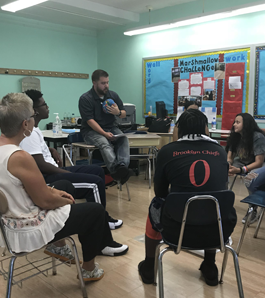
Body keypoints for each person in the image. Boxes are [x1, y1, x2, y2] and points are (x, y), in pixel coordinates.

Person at [0, 93, 128, 282]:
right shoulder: (20, 157)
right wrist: (64, 200)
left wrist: (53, 191)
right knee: (95, 211)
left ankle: (58, 245)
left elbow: (23, 188)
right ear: (25, 124)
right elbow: (44, 200)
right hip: (26, 230)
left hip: (7, 225)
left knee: (64, 185)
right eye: (32, 117)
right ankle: (89, 269)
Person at [138, 109, 237, 286]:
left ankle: (149, 268)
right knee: (213, 205)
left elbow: (160, 193)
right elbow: (220, 188)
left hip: (176, 230)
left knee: (155, 205)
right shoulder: (220, 151)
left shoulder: (167, 151)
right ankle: (210, 266)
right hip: (217, 232)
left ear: (179, 129)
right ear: (206, 129)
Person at [20, 89, 122, 231]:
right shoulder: (29, 133)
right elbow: (40, 165)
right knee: (95, 183)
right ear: (35, 111)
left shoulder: (35, 129)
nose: (47, 107)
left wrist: (51, 150)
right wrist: (64, 172)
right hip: (49, 177)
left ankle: (102, 216)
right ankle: (101, 224)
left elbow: (35, 151)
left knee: (98, 170)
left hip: (53, 170)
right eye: (44, 104)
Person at [79, 69, 133, 184]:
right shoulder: (85, 98)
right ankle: (116, 171)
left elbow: (123, 113)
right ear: (94, 83)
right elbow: (90, 121)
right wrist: (104, 133)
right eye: (103, 83)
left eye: (107, 82)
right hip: (91, 131)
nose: (106, 86)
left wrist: (117, 112)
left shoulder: (112, 95)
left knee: (123, 139)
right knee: (104, 142)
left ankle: (122, 166)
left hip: (111, 127)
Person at [226, 113, 265, 224]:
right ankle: (222, 202)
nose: (234, 124)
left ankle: (253, 209)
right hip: (242, 163)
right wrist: (228, 164)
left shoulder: (257, 137)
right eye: (234, 122)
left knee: (250, 177)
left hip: (258, 166)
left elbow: (259, 162)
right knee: (222, 170)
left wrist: (240, 170)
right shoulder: (236, 136)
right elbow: (230, 156)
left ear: (246, 124)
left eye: (238, 122)